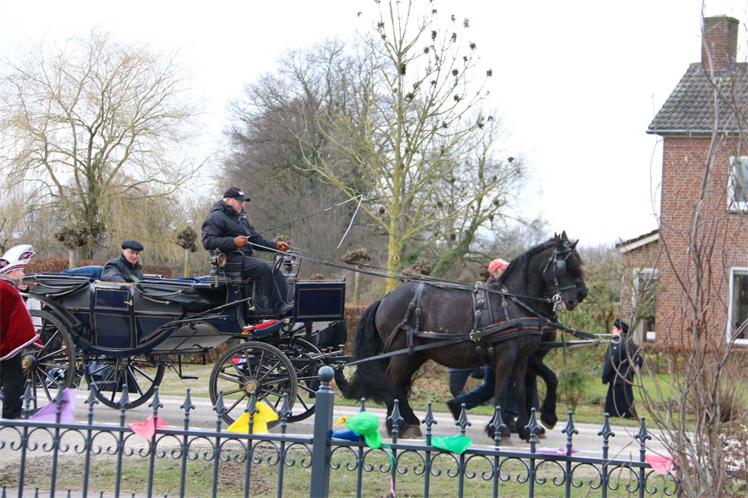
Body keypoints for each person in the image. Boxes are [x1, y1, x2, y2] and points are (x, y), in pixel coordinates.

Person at [201, 186, 292, 315]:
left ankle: (284, 304)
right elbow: (208, 241)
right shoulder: (216, 217)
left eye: (243, 202)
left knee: (275, 270)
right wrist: (233, 242)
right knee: (263, 267)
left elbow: (255, 240)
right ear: (228, 200)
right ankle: (276, 307)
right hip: (229, 261)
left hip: (244, 258)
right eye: (240, 201)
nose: (243, 205)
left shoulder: (240, 218)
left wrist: (275, 245)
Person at [0, 277, 39, 419]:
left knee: (13, 377)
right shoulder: (6, 289)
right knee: (13, 377)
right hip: (9, 342)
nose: (23, 274)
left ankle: (12, 413)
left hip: (9, 341)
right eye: (20, 270)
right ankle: (11, 414)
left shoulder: (6, 287)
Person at [602, 319, 643, 418]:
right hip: (627, 379)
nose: (612, 331)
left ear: (620, 331)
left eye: (614, 329)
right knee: (628, 408)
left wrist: (605, 376)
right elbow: (639, 360)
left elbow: (611, 361)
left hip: (617, 380)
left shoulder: (617, 342)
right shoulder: (630, 342)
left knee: (612, 411)